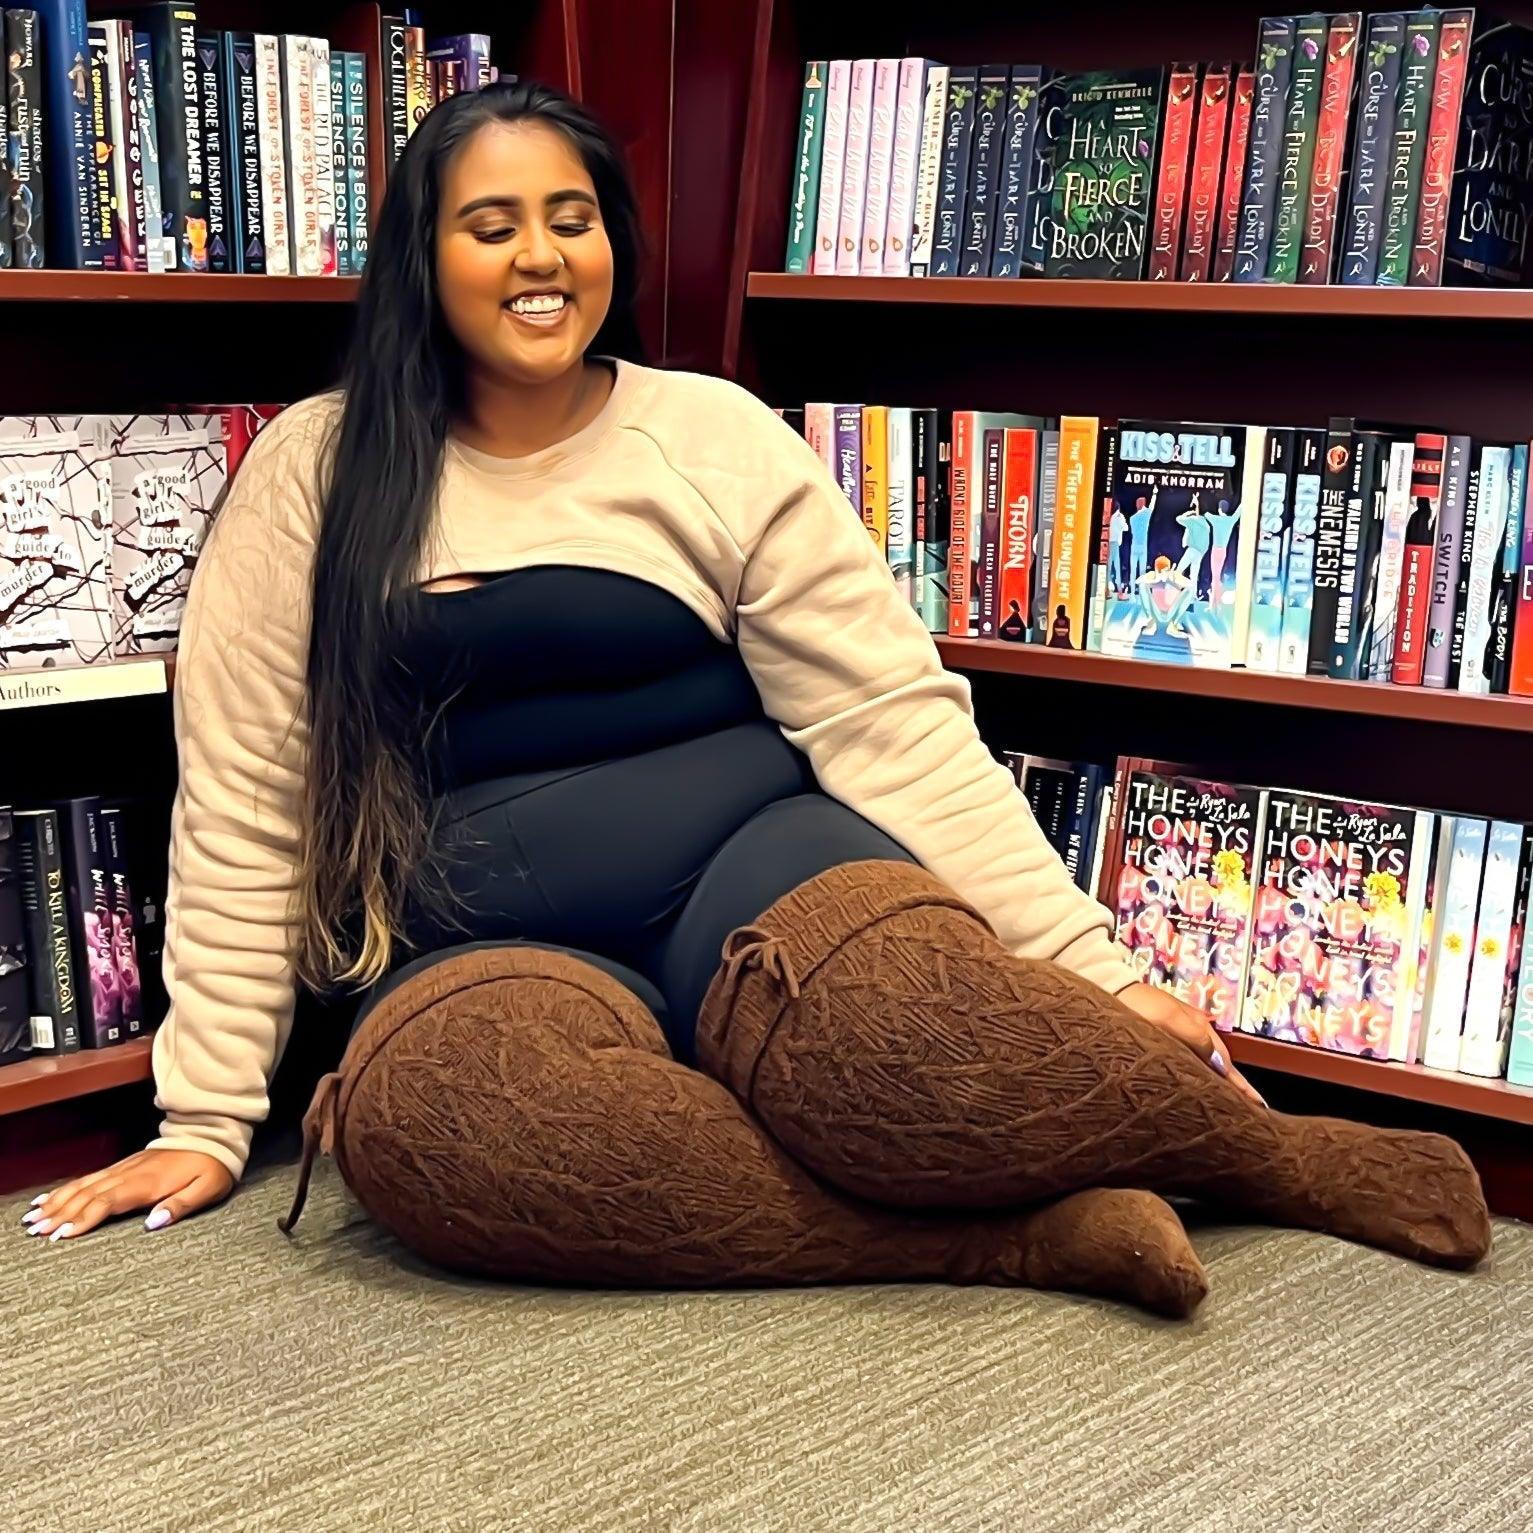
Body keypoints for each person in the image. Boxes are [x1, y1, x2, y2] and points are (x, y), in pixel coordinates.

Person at [21, 86, 1487, 1304]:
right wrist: (206, 1117)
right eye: (491, 224)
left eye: (573, 218)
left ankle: (1280, 1162)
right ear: (423, 256)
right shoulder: (312, 469)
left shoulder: (711, 434)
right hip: (482, 943)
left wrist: (1090, 974)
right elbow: (247, 799)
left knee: (925, 1041)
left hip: (756, 878)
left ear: (613, 241)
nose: (540, 257)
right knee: (443, 1136)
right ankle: (1008, 1241)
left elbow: (890, 724)